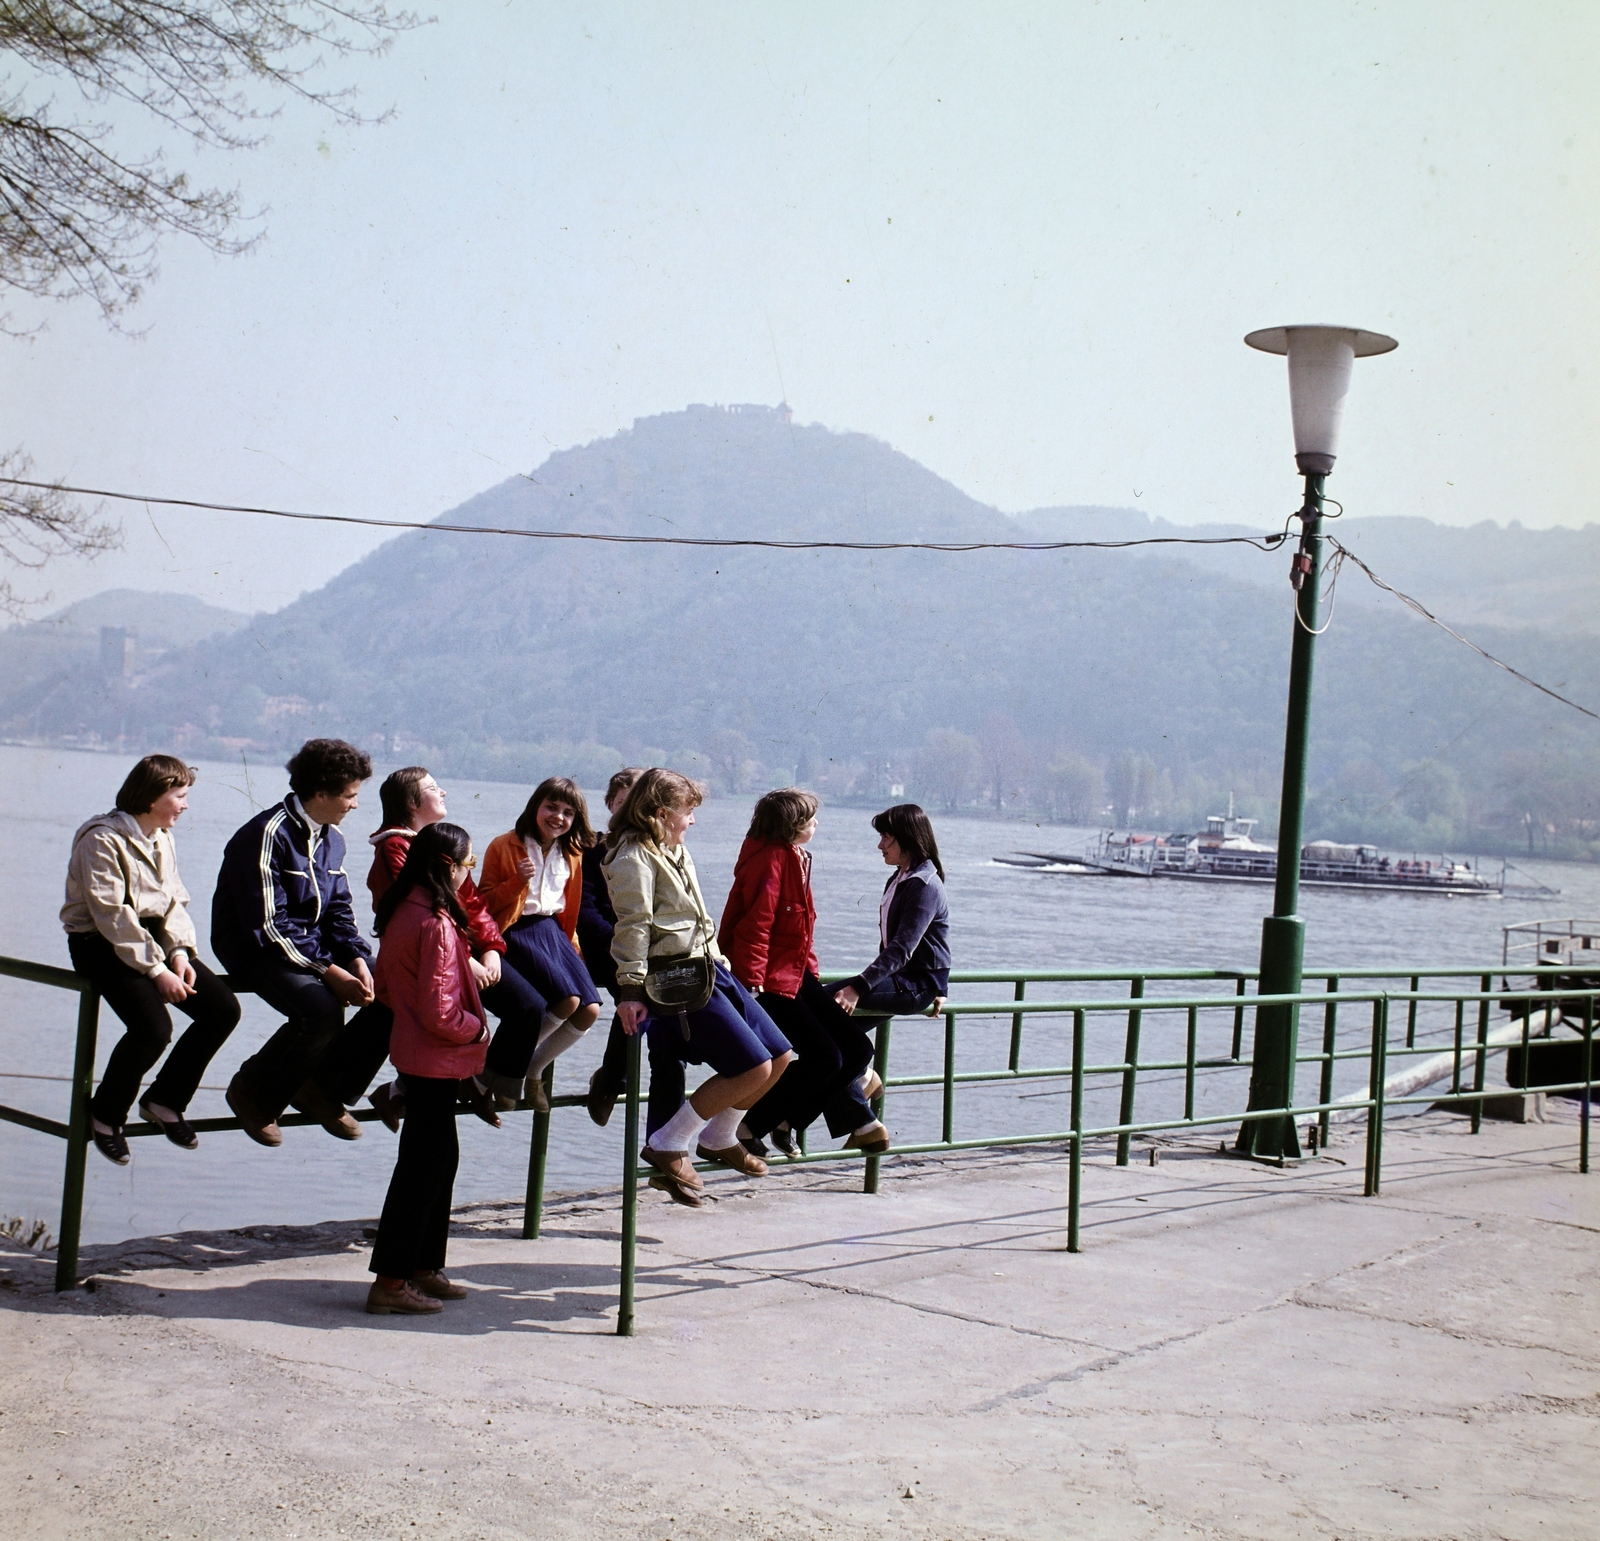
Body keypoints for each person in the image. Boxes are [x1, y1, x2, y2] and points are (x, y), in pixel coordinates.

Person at [606, 768, 794, 1208]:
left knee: (782, 1056)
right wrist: (630, 989)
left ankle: (720, 1134)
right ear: (660, 813)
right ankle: (669, 1143)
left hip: (710, 966)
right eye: (687, 812)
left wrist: (719, 958)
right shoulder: (631, 857)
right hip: (676, 976)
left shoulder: (674, 848)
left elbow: (696, 913)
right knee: (753, 1068)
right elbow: (633, 926)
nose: (692, 820)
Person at [60, 755, 242, 1164]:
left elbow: (173, 901)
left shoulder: (161, 835)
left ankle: (164, 1099)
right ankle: (105, 1115)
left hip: (151, 940)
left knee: (222, 1009)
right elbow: (112, 916)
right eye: (179, 795)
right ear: (153, 795)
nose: (185, 804)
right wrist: (157, 971)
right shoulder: (101, 839)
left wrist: (179, 951)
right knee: (153, 1028)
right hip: (98, 942)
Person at [314, 766, 517, 1130]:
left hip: (446, 949)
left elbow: (470, 901)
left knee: (517, 1005)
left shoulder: (440, 843)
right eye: (433, 788)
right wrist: (466, 959)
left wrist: (490, 948)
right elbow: (419, 905)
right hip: (425, 950)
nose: (443, 793)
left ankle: (431, 1085)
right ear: (411, 802)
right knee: (396, 1007)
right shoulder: (397, 845)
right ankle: (337, 1088)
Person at [211, 738, 379, 1147]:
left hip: (309, 945)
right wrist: (328, 971)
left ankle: (321, 1088)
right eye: (350, 795)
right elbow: (269, 926)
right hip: (256, 946)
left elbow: (338, 909)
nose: (354, 805)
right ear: (320, 793)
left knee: (395, 986)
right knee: (321, 1012)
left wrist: (356, 957)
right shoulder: (265, 836)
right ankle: (253, 1092)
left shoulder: (331, 838)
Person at [720, 788, 885, 1157]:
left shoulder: (795, 856)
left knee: (857, 1049)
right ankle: (750, 1127)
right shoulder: (771, 859)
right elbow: (756, 925)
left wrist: (811, 972)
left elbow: (801, 924)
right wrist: (753, 983)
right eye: (811, 819)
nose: (816, 824)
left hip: (796, 975)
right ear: (792, 825)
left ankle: (785, 1121)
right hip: (768, 980)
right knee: (826, 1056)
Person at [365, 822, 488, 1316]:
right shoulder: (434, 921)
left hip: (418, 1051)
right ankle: (392, 1280)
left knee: (437, 1161)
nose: (467, 875)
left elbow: (393, 988)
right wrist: (475, 1030)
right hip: (435, 1055)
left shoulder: (404, 907)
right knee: (423, 1170)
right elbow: (440, 1011)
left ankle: (421, 1267)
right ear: (448, 867)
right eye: (467, 866)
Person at [476, 778, 603, 1112]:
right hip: (516, 929)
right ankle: (496, 1076)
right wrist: (517, 881)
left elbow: (568, 908)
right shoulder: (504, 845)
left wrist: (573, 946)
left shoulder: (572, 853)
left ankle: (532, 1069)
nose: (558, 817)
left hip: (553, 932)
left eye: (568, 812)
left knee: (590, 1009)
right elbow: (483, 904)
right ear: (535, 806)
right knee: (566, 1000)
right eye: (551, 807)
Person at [581, 768, 687, 1132]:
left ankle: (664, 1135)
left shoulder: (662, 849)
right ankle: (614, 1079)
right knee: (641, 1004)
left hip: (648, 952)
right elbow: (586, 907)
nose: (629, 811)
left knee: (668, 1045)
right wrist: (622, 943)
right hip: (609, 949)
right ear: (611, 804)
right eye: (623, 802)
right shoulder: (595, 850)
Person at [830, 805, 951, 1061]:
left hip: (913, 987)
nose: (880, 845)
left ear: (907, 838)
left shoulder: (923, 884)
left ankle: (861, 1082)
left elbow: (902, 947)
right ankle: (861, 1084)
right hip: (901, 981)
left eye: (886, 837)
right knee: (834, 1038)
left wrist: (858, 988)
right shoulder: (900, 879)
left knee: (824, 1004)